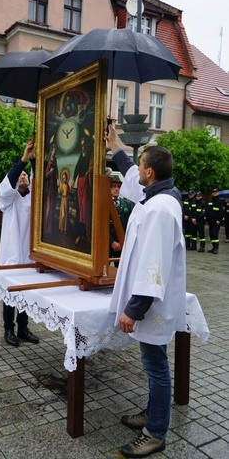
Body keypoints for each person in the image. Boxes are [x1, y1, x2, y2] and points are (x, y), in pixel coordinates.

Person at [106, 126, 186, 458]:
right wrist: (115, 147)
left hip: (150, 305)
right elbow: (130, 180)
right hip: (150, 303)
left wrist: (133, 309)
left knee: (155, 365)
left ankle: (155, 431)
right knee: (152, 362)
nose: (137, 171)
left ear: (150, 172)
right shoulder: (160, 196)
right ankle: (151, 414)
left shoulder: (159, 209)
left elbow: (153, 265)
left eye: (141, 166)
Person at [0, 139, 39, 347]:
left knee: (26, 292)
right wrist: (23, 160)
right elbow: (7, 184)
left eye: (26, 176)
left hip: (30, 254)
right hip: (13, 253)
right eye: (20, 176)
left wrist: (34, 162)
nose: (23, 177)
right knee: (10, 291)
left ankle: (23, 327)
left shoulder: (35, 198)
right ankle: (8, 328)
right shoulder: (9, 199)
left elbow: (41, 178)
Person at [106, 168, 134, 266]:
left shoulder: (127, 204)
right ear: (109, 188)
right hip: (107, 245)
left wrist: (122, 241)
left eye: (119, 186)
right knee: (105, 270)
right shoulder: (103, 204)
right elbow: (102, 226)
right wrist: (112, 241)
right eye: (114, 186)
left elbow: (129, 224)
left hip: (122, 243)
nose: (117, 189)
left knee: (120, 270)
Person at [206, 188, 225, 254]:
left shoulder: (220, 200)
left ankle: (216, 248)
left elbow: (222, 211)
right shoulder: (211, 201)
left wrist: (219, 220)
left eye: (215, 192)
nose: (214, 193)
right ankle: (213, 247)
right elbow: (208, 210)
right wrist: (207, 219)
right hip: (211, 221)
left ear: (218, 193)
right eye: (213, 192)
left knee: (215, 235)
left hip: (216, 221)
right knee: (211, 234)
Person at [58, 168, 71, 235]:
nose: (64, 179)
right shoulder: (62, 185)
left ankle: (65, 229)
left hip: (66, 200)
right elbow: (60, 191)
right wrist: (59, 186)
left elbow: (69, 192)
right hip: (63, 200)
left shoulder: (68, 185)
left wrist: (68, 195)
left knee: (66, 214)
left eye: (65, 178)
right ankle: (61, 227)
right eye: (63, 178)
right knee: (62, 214)